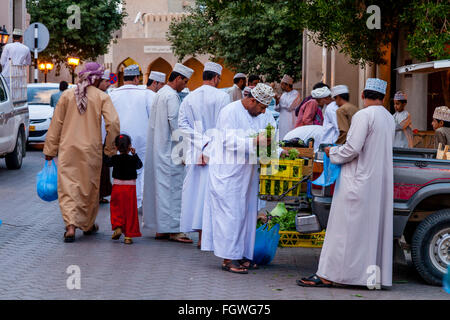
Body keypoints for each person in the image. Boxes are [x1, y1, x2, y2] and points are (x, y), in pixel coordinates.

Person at [297, 78, 395, 289]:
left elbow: (352, 149)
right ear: (384, 97)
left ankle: (328, 275)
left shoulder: (364, 115)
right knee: (369, 234)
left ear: (363, 95)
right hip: (377, 183)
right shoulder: (388, 118)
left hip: (358, 182)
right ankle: (369, 278)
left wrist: (332, 152)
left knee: (343, 232)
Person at [201, 83, 275, 274]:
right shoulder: (229, 112)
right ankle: (228, 258)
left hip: (247, 173)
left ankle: (241, 254)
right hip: (227, 173)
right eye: (261, 107)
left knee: (246, 214)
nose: (264, 111)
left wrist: (276, 149)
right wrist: (254, 141)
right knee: (230, 215)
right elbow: (227, 140)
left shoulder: (261, 114)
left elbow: (270, 136)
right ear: (252, 101)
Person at [43, 62, 120, 242]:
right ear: (97, 79)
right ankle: (87, 224)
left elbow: (56, 124)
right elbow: (114, 124)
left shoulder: (67, 95)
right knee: (89, 188)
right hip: (90, 151)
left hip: (68, 149)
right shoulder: (102, 97)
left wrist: (50, 149)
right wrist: (110, 149)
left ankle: (70, 226)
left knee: (68, 187)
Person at [178, 62, 230, 248]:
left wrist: (200, 141)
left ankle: (200, 236)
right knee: (212, 193)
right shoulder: (223, 97)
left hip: (195, 149)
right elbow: (225, 126)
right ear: (216, 78)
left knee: (195, 194)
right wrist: (209, 142)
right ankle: (209, 238)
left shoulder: (189, 97)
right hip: (215, 150)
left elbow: (182, 125)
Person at [142, 63, 194, 243]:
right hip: (170, 152)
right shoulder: (171, 96)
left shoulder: (161, 93)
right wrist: (184, 153)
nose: (185, 85)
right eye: (185, 81)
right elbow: (176, 125)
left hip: (159, 150)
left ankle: (161, 228)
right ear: (178, 78)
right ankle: (174, 230)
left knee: (161, 191)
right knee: (173, 191)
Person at [109, 64, 152, 209]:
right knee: (141, 170)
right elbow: (153, 117)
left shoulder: (113, 94)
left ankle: (123, 201)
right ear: (136, 78)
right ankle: (139, 201)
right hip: (142, 137)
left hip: (120, 139)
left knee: (120, 171)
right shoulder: (146, 94)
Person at [105, 134, 143, 245]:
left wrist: (110, 152)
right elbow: (139, 165)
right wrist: (134, 154)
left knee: (116, 207)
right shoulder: (132, 159)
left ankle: (118, 226)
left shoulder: (115, 159)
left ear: (116, 147)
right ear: (130, 146)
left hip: (117, 187)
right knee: (130, 210)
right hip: (130, 188)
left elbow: (107, 162)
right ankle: (128, 236)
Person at [275, 75, 300, 139]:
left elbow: (290, 106)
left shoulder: (295, 93)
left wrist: (281, 102)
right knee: (282, 137)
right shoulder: (284, 94)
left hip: (290, 119)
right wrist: (277, 101)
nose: (281, 86)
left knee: (289, 136)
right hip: (282, 119)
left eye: (282, 84)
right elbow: (278, 108)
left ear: (287, 85)